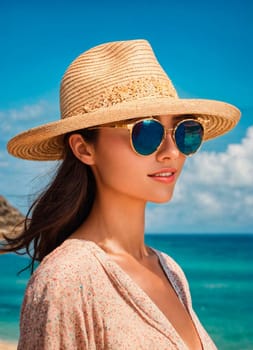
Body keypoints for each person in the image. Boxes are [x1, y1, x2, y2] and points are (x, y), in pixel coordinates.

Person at [2, 39, 240, 350]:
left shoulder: (169, 269)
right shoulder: (66, 280)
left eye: (184, 132)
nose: (171, 152)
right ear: (84, 148)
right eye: (147, 132)